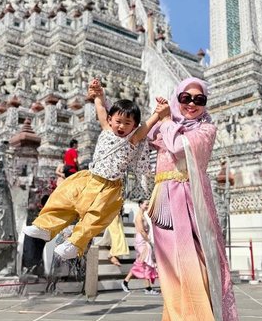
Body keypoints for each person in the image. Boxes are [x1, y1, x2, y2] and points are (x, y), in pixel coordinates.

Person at [143, 77, 249, 321]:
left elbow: (180, 150)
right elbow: (142, 141)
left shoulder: (205, 130)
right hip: (166, 218)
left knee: (199, 294)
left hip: (194, 219)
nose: (192, 103)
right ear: (177, 98)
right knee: (180, 296)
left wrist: (166, 120)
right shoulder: (167, 125)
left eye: (199, 99)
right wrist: (158, 117)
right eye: (185, 97)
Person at [23, 79, 169, 261]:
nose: (122, 126)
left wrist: (157, 112)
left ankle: (75, 244)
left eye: (127, 123)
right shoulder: (106, 129)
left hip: (109, 188)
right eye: (118, 121)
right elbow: (100, 109)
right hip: (89, 178)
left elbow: (146, 127)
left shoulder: (132, 140)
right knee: (63, 199)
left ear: (134, 126)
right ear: (110, 119)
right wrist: (98, 94)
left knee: (94, 218)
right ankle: (45, 227)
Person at [122, 199, 159, 295]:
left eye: (148, 204)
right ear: (140, 205)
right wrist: (149, 241)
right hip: (142, 241)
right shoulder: (139, 217)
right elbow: (142, 231)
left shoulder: (143, 216)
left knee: (140, 263)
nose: (147, 206)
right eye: (146, 204)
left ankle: (125, 282)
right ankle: (148, 288)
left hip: (144, 240)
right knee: (146, 262)